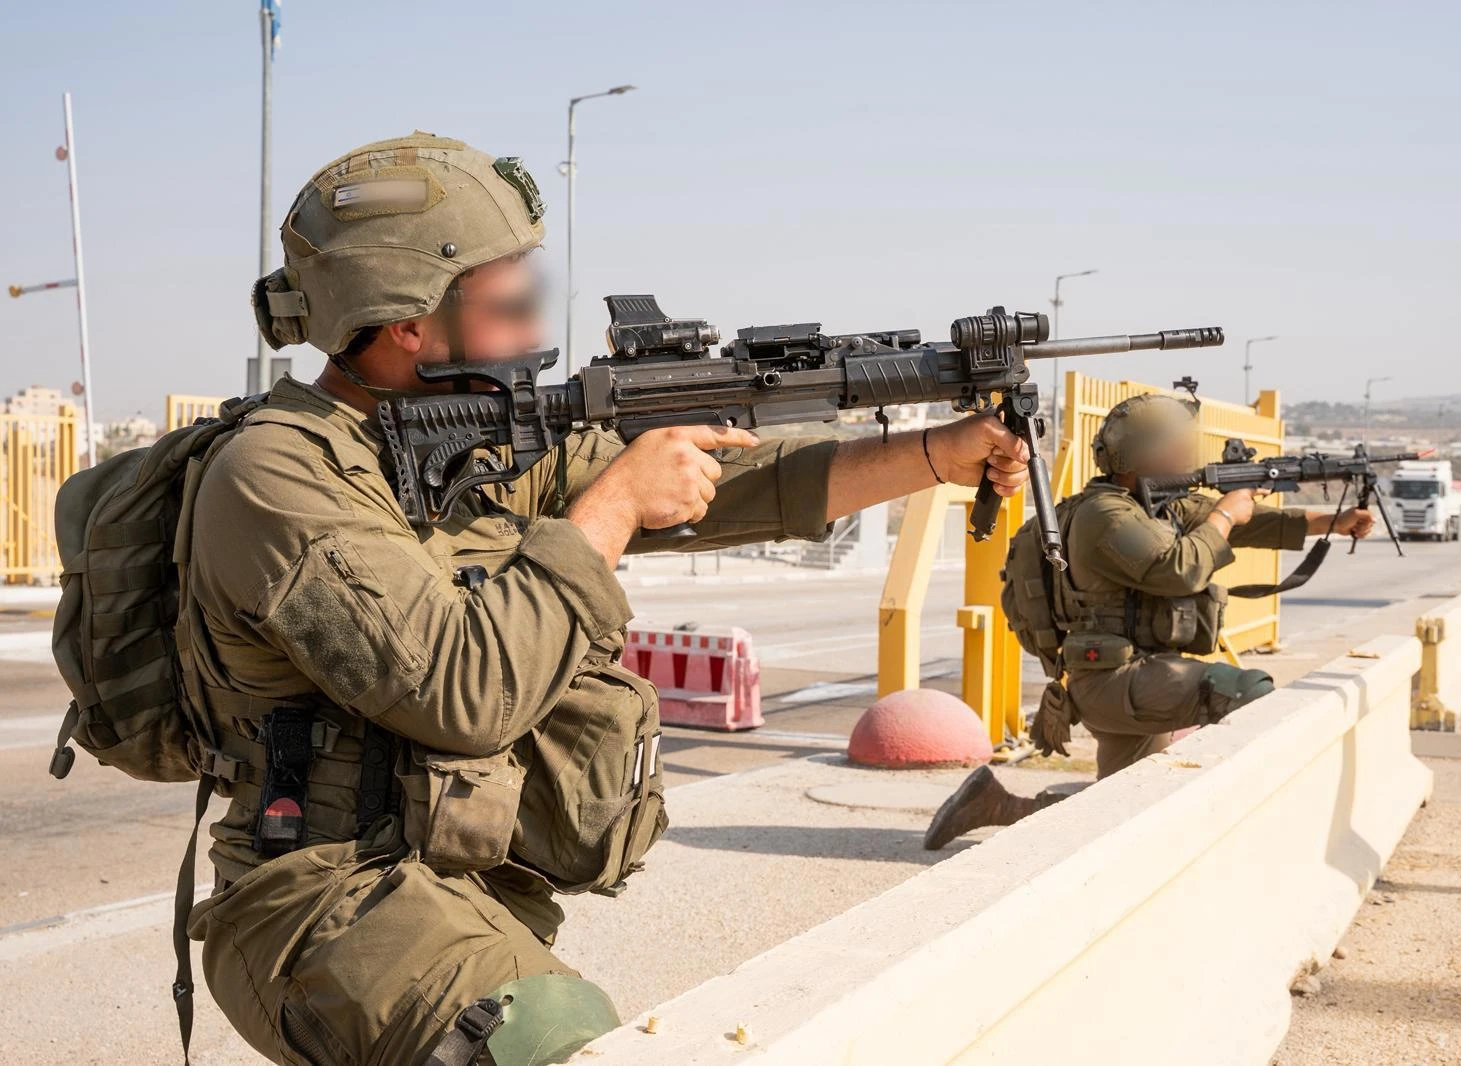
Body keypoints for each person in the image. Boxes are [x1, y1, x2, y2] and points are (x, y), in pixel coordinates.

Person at [179, 132, 1034, 1065]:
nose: (534, 331)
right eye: (508, 304)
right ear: (408, 324)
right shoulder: (275, 476)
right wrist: (616, 504)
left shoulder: (475, 439)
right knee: (559, 1040)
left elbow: (741, 487)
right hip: (320, 896)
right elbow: (461, 693)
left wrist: (935, 453)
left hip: (448, 878)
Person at [924, 391, 1374, 850]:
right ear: (1141, 454)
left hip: (1137, 673)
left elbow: (1256, 523)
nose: (1187, 455)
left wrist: (1334, 522)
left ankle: (995, 806)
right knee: (1248, 692)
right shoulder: (1107, 514)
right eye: (1175, 446)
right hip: (1111, 678)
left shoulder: (1159, 506)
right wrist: (1223, 512)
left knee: (1119, 812)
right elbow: (1179, 569)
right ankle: (1256, 828)